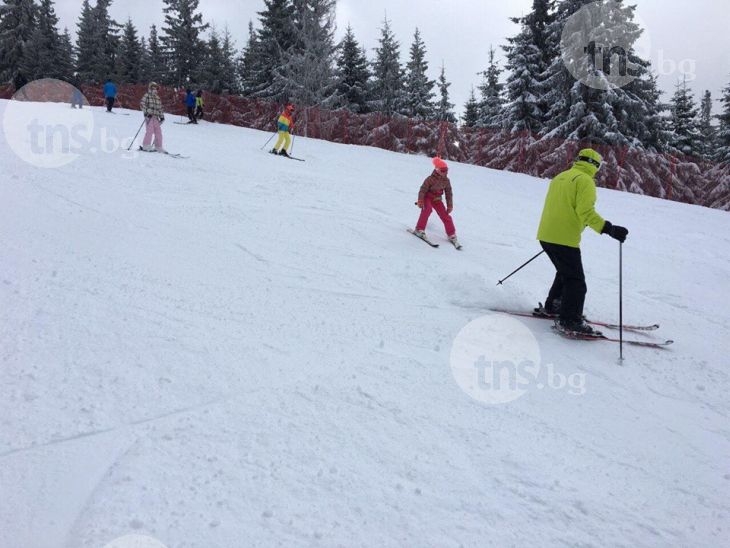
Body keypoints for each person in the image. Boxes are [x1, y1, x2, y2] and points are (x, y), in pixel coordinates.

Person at [536, 148, 629, 335]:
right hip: (564, 239)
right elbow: (585, 212)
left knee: (565, 273)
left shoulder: (562, 176)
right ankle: (569, 320)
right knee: (576, 281)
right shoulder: (585, 181)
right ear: (595, 165)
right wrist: (609, 229)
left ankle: (555, 306)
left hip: (546, 235)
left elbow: (564, 206)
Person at [414, 157, 459, 245]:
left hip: (437, 199)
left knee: (445, 215)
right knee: (427, 210)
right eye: (443, 170)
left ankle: (451, 234)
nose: (445, 172)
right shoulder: (430, 179)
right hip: (427, 197)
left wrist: (450, 205)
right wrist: (420, 200)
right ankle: (419, 229)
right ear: (437, 170)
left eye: (446, 170)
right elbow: (422, 190)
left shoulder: (446, 180)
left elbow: (448, 193)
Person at [140, 82, 165, 152]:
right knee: (149, 131)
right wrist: (147, 111)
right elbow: (142, 104)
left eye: (156, 88)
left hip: (156, 117)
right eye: (153, 88)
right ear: (150, 88)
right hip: (149, 116)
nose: (155, 89)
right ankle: (146, 145)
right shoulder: (147, 95)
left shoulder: (157, 97)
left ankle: (158, 146)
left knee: (158, 132)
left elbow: (160, 108)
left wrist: (162, 116)